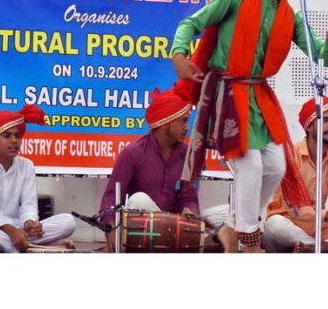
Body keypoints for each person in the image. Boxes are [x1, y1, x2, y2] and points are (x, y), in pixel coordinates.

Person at [171, 0, 328, 251]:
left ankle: (232, 227)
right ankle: (249, 240)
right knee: (250, 164)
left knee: (276, 165)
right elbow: (191, 23)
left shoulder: (290, 15)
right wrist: (180, 54)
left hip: (258, 96)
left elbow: (320, 56)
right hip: (228, 93)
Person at [99, 87, 236, 252]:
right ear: (164, 124)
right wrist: (111, 229)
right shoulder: (133, 153)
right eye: (183, 121)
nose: (187, 127)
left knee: (231, 213)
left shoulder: (187, 155)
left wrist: (189, 210)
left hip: (177, 222)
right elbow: (111, 199)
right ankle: (201, 241)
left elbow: (189, 197)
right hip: (146, 224)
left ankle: (198, 238)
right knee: (139, 200)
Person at [0, 105, 76, 253]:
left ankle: (20, 246)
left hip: (19, 228)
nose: (14, 141)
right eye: (7, 136)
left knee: (68, 222)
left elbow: (29, 205)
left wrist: (29, 222)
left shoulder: (26, 166)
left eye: (17, 136)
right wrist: (10, 231)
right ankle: (38, 247)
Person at [264, 95, 328, 253]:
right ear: (309, 126)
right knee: (275, 225)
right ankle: (326, 248)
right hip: (289, 225)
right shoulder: (292, 156)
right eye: (325, 120)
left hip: (320, 228)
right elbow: (293, 208)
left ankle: (313, 249)